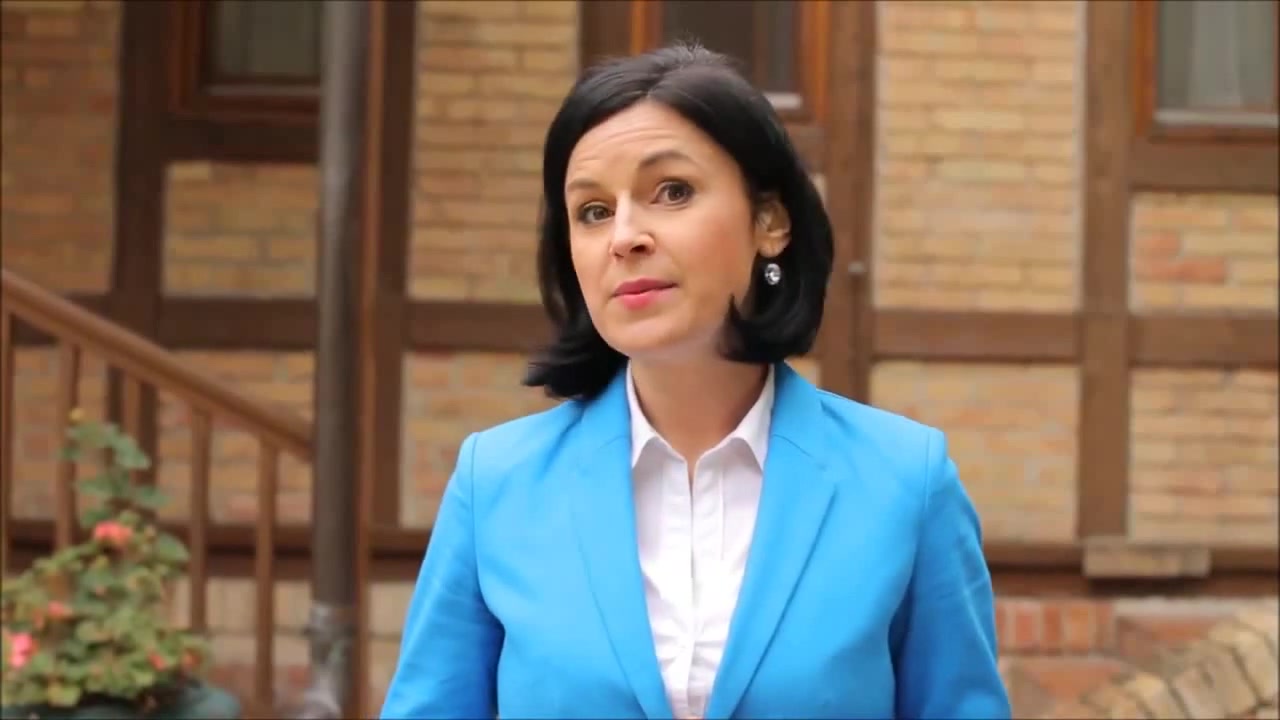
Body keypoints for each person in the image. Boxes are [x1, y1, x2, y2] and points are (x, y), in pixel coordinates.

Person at [380, 42, 1010, 720]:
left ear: (770, 221)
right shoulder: (497, 485)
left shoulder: (905, 483)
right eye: (593, 210)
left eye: (672, 192)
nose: (624, 236)